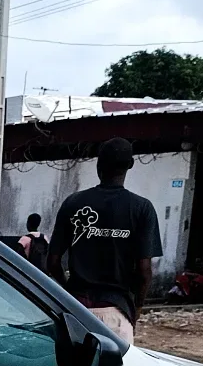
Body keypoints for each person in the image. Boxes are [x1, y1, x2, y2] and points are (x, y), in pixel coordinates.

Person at [47, 138, 161, 340]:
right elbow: (144, 272)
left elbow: (53, 262)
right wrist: (137, 308)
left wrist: (69, 293)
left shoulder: (73, 203)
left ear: (98, 164)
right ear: (130, 165)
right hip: (116, 312)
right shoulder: (142, 208)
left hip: (76, 311)